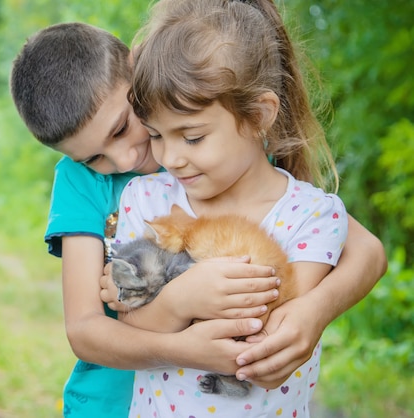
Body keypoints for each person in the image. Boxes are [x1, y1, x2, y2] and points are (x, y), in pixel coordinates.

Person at [9, 21, 386, 418]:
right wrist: (185, 340)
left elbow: (366, 250)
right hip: (111, 403)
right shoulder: (86, 183)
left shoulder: (225, 157)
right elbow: (84, 327)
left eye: (122, 128)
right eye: (92, 158)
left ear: (139, 73)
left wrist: (315, 309)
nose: (124, 160)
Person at [105, 0, 358, 415]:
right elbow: (130, 324)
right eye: (155, 135)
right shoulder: (147, 199)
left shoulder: (310, 214)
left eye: (192, 137)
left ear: (259, 115)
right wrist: (180, 301)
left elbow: (278, 337)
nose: (170, 157)